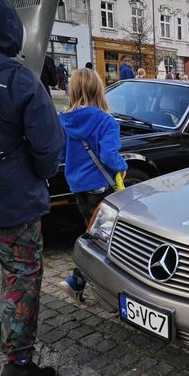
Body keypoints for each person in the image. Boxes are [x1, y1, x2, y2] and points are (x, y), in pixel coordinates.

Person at [0, 0, 64, 376]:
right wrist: (38, 174)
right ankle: (17, 364)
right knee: (19, 276)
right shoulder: (16, 78)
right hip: (11, 201)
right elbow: (48, 145)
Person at [58, 68, 128, 302]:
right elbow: (109, 156)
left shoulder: (64, 119)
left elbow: (60, 152)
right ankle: (83, 281)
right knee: (104, 238)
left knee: (93, 233)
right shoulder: (106, 121)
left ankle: (79, 280)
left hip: (78, 186)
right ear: (98, 89)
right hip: (100, 187)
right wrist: (122, 165)